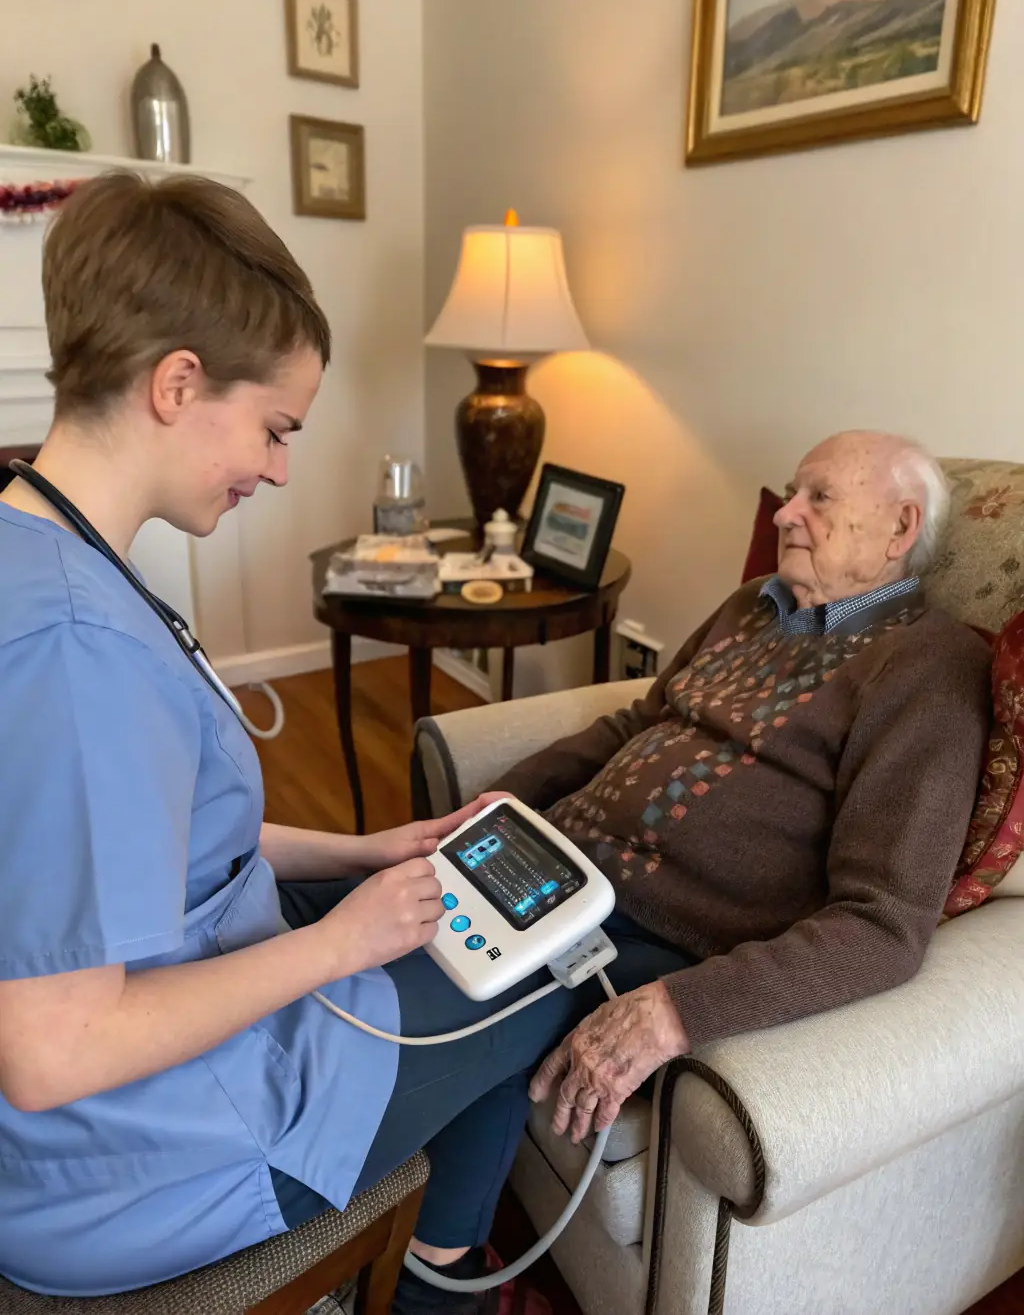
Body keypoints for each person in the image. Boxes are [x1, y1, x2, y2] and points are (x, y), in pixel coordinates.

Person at [0, 171, 581, 1315]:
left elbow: (153, 844)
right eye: (273, 429)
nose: (275, 469)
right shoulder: (75, 648)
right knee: (547, 981)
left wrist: (361, 855)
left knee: (438, 944)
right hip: (130, 1168)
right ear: (177, 384)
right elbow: (50, 1054)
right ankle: (436, 1283)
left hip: (111, 1109)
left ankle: (430, 1253)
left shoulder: (36, 548)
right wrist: (338, 947)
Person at [492, 432, 993, 1148]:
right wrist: (497, 806)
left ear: (899, 528)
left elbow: (884, 922)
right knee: (363, 934)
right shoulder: (750, 607)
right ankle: (441, 1245)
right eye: (792, 493)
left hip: (651, 929)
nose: (784, 515)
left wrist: (677, 1010)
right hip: (558, 867)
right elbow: (639, 721)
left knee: (419, 1012)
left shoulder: (930, 668)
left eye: (817, 497)